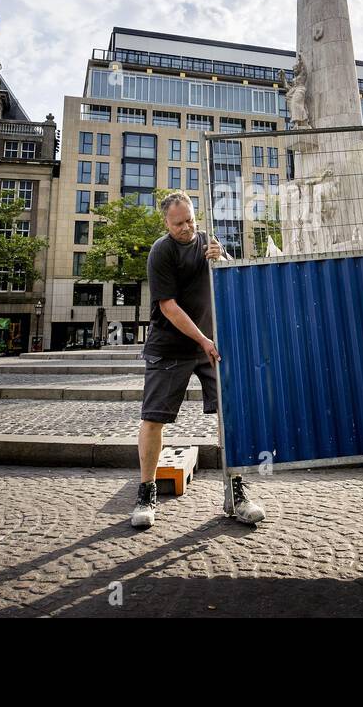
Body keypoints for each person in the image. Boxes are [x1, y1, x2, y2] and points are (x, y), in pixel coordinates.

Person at [130, 191, 266, 529]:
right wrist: (203, 339)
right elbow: (168, 307)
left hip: (210, 346)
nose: (187, 227)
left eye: (190, 219)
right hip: (171, 346)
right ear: (166, 222)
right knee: (152, 419)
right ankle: (146, 493)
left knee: (229, 415)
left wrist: (223, 260)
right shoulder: (161, 252)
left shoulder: (208, 241)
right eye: (179, 223)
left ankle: (235, 493)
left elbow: (234, 279)